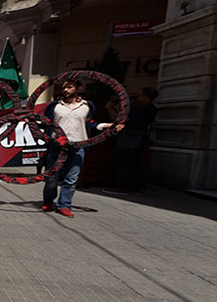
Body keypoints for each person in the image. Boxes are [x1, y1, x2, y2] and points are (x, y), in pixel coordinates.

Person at [42, 76, 123, 217]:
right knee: (51, 178)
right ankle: (48, 201)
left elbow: (90, 124)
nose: (65, 89)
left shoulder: (86, 106)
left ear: (78, 88)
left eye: (70, 87)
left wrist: (109, 126)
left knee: (71, 178)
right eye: (64, 87)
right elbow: (45, 124)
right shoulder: (55, 106)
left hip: (78, 145)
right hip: (57, 146)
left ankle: (64, 205)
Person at [105, 87, 158, 195]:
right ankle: (135, 187)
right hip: (139, 138)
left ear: (146, 97)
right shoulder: (152, 109)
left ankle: (122, 186)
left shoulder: (141, 109)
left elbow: (120, 120)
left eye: (140, 95)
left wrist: (110, 109)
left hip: (131, 137)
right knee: (134, 162)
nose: (138, 97)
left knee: (125, 162)